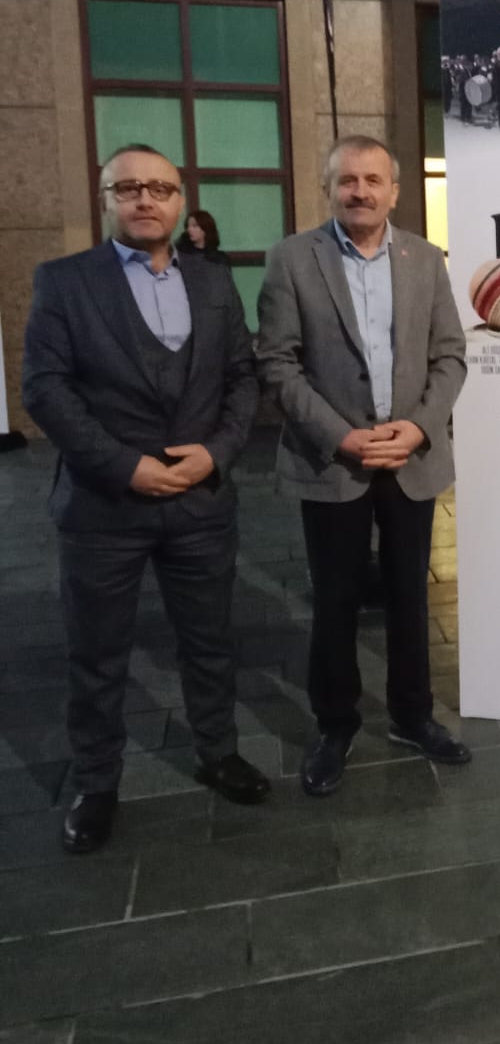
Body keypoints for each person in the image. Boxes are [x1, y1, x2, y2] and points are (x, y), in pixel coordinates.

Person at [21, 145, 267, 853]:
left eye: (159, 188)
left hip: (199, 501)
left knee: (210, 640)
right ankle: (96, 783)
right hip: (105, 506)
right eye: (126, 187)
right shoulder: (65, 281)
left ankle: (217, 751)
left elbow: (242, 376)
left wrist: (217, 453)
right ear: (106, 199)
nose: (144, 199)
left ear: (180, 199)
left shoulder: (213, 279)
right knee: (97, 653)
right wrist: (124, 467)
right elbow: (45, 389)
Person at [256, 134, 470, 796]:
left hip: (411, 458)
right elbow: (277, 363)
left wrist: (419, 426)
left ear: (394, 191)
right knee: (336, 601)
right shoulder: (293, 259)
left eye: (373, 180)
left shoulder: (425, 259)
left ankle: (412, 715)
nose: (360, 191)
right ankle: (335, 724)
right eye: (347, 180)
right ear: (329, 187)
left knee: (410, 598)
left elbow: (450, 355)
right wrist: (342, 437)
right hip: (334, 462)